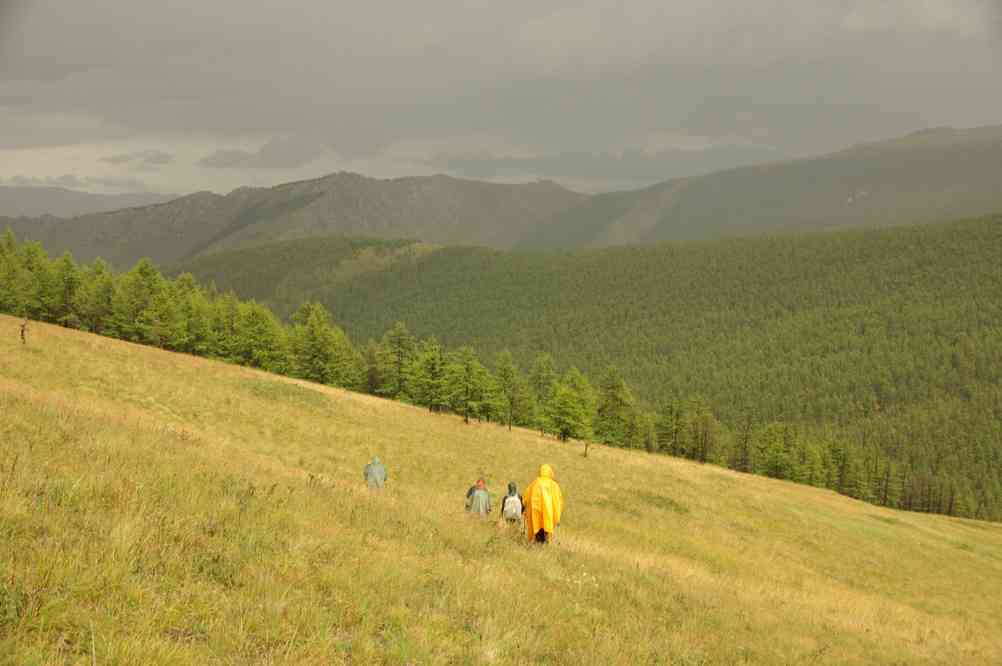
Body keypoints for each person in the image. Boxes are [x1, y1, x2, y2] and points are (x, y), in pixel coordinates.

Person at [522, 464, 563, 544]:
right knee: (546, 528)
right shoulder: (554, 485)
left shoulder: (535, 483)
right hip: (548, 514)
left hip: (536, 513)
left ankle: (538, 543)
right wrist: (557, 514)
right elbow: (558, 500)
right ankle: (544, 543)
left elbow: (526, 497)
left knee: (537, 527)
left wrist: (524, 507)